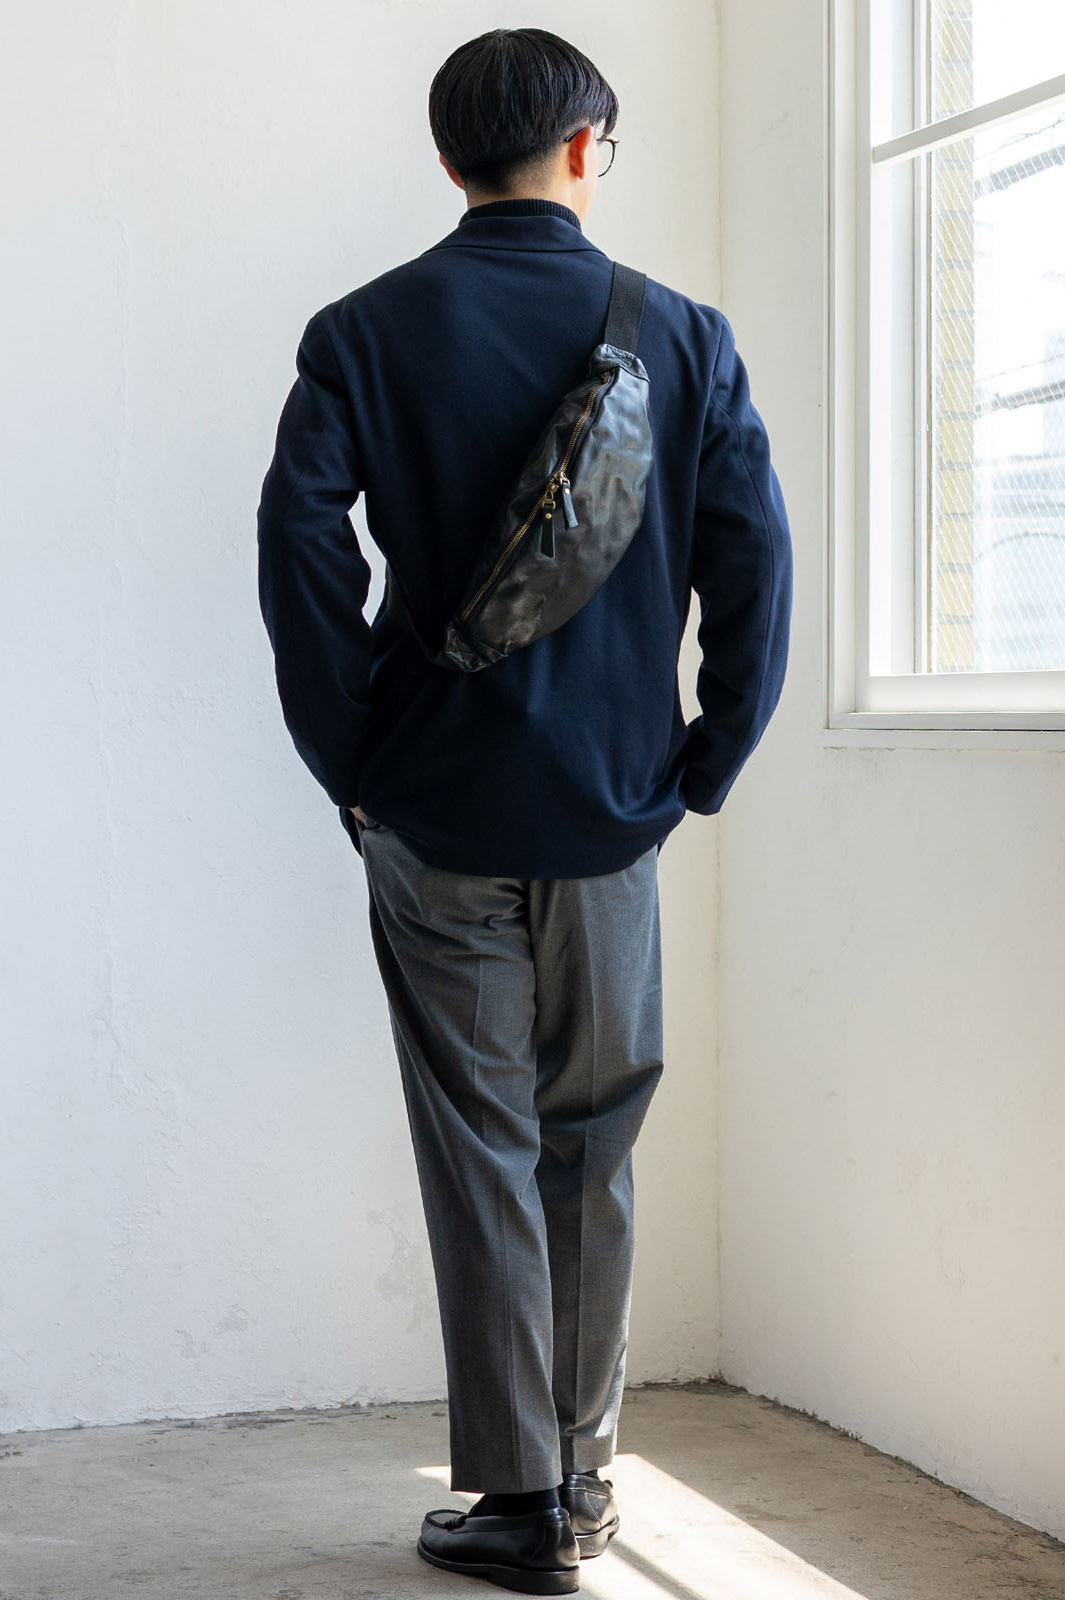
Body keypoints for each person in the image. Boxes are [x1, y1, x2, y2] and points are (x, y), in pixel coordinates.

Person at [255, 26, 793, 1596]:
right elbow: (752, 564)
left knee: (479, 1144)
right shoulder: (682, 335)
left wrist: (351, 760)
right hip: (611, 814)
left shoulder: (362, 330)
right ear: (580, 150)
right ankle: (585, 1481)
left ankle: (518, 1502)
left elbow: (298, 553)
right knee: (592, 1145)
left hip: (432, 810)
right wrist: (704, 762)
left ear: (448, 160)